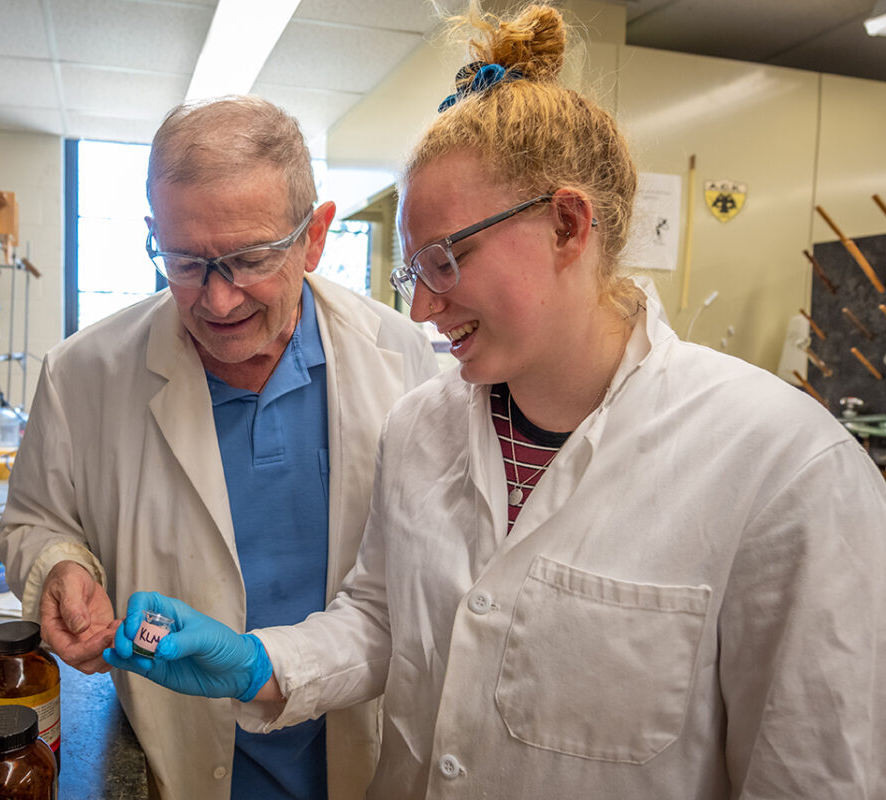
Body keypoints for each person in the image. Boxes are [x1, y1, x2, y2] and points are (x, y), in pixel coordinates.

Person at [104, 5, 886, 798]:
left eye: (445, 260)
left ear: (568, 225)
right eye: (414, 272)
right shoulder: (422, 425)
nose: (417, 310)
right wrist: (261, 664)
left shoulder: (786, 471)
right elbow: (384, 622)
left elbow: (815, 775)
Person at [0, 95, 438, 800]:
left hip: (361, 751)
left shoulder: (405, 361)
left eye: (251, 259)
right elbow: (33, 521)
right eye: (186, 262)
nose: (219, 301)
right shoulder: (84, 372)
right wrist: (59, 568)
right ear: (153, 234)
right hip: (176, 750)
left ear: (314, 237)